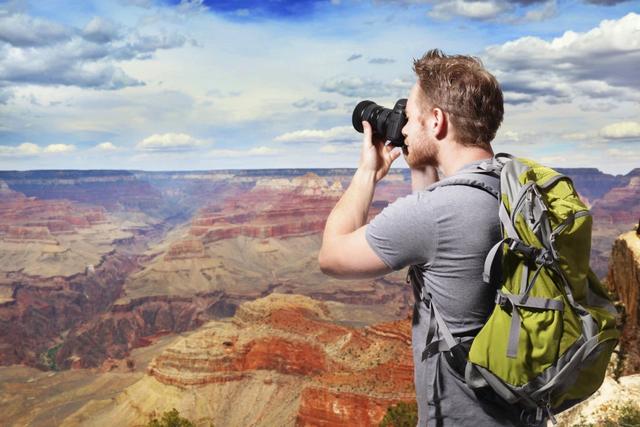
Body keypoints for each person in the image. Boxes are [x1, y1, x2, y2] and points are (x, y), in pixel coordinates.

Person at [319, 49, 527, 426]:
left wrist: (368, 173)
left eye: (411, 118)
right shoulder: (517, 190)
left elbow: (332, 256)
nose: (404, 130)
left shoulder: (435, 214)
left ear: (436, 120)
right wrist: (420, 159)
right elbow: (436, 227)